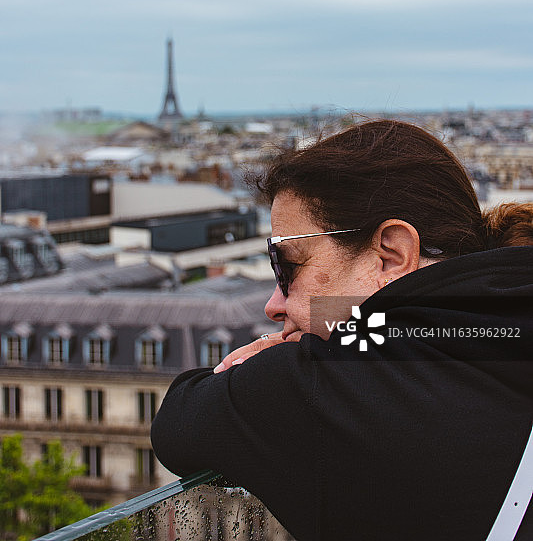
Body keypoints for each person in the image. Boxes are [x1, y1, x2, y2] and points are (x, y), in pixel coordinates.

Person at [151, 120, 533, 541]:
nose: (273, 305)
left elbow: (179, 423)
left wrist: (289, 355)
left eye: (288, 266)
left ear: (391, 254)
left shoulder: (346, 388)